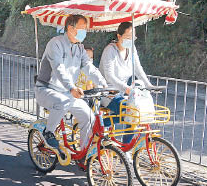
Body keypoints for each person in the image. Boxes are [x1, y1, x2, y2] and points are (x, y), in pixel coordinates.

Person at [35, 14, 107, 157]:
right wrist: (71, 87)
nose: (84, 32)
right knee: (62, 102)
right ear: (70, 28)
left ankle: (84, 153)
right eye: (82, 28)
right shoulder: (55, 43)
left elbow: (89, 68)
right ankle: (48, 132)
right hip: (46, 90)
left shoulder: (80, 48)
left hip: (68, 93)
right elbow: (58, 68)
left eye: (85, 29)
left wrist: (104, 85)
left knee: (89, 116)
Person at [99, 22, 154, 143]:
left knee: (136, 113)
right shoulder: (110, 50)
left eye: (133, 37)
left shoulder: (132, 49)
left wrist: (149, 86)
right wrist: (127, 88)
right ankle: (98, 126)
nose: (131, 40)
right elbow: (110, 76)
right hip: (108, 92)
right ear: (119, 36)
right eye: (128, 37)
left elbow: (138, 70)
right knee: (130, 113)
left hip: (124, 92)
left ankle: (125, 147)